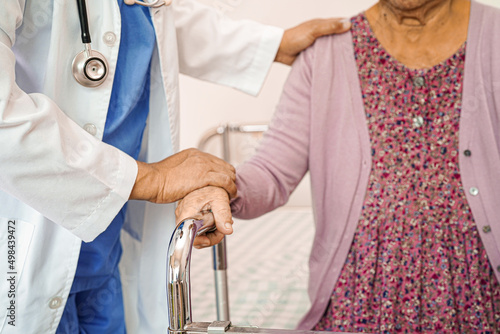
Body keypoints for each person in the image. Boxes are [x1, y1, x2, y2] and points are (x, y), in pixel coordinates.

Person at [0, 0, 352, 333]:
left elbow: (150, 17)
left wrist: (272, 44)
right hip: (24, 230)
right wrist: (154, 178)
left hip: (104, 245)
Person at [177, 0, 500, 332]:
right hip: (359, 293)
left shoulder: (494, 36)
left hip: (478, 287)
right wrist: (223, 185)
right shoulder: (327, 52)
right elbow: (272, 171)